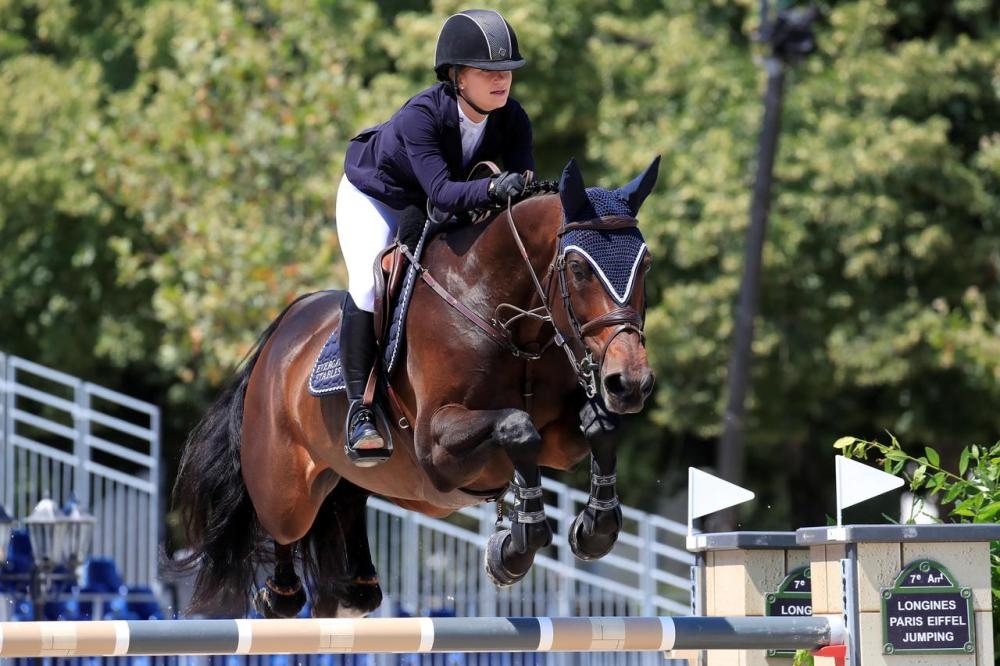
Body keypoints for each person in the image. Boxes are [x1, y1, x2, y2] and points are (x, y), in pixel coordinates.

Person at [335, 9, 536, 466]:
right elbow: (443, 192)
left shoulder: (513, 119)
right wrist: (491, 187)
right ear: (456, 76)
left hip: (439, 200)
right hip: (377, 195)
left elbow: (524, 187)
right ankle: (359, 410)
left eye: (506, 71)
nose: (501, 80)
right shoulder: (420, 117)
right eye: (488, 71)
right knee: (369, 282)